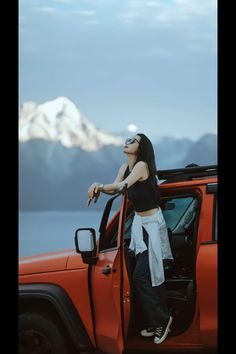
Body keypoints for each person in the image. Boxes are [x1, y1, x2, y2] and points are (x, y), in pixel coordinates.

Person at [87, 133, 173, 345]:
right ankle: (154, 321)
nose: (128, 142)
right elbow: (115, 189)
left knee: (143, 276)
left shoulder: (142, 166)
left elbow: (122, 186)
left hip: (152, 225)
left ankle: (163, 320)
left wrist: (98, 184)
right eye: (127, 139)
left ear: (142, 148)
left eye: (133, 141)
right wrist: (100, 188)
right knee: (142, 276)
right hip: (138, 226)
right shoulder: (124, 168)